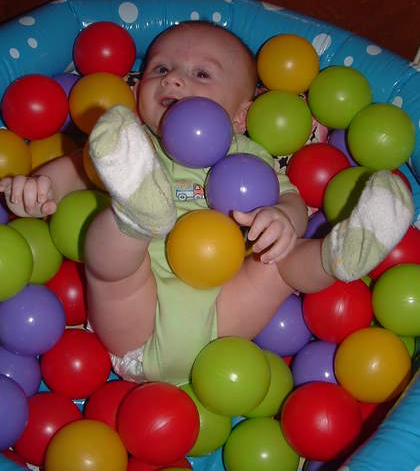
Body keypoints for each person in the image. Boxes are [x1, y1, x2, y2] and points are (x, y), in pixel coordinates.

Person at [0, 21, 414, 385]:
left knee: (279, 263)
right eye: (160, 69)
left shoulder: (248, 156)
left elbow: (290, 197)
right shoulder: (129, 147)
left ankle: (338, 255)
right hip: (136, 323)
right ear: (136, 89)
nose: (174, 81)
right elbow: (75, 170)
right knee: (109, 256)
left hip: (222, 321)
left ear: (240, 116)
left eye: (201, 74)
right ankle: (136, 218)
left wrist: (282, 219)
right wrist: (38, 189)